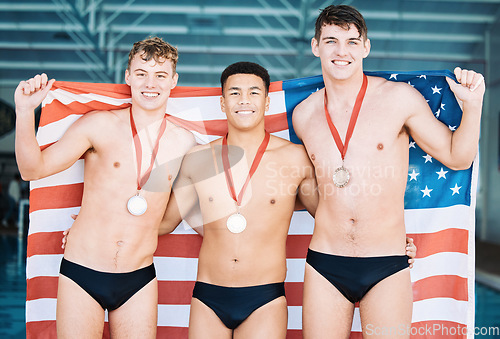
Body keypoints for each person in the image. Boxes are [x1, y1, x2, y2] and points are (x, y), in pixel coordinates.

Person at [157, 61, 417, 338]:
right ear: (222, 103)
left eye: (254, 93)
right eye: (234, 93)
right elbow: (164, 223)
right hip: (208, 295)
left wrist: (387, 243)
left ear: (267, 102)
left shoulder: (294, 160)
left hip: (265, 299)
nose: (244, 100)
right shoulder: (197, 160)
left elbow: (333, 215)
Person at [292, 5, 485, 338]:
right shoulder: (304, 114)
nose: (342, 51)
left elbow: (457, 157)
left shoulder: (398, 99)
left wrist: (474, 104)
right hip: (325, 261)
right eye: (331, 41)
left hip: (386, 262)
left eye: (352, 42)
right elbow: (315, 188)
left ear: (366, 47)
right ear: (315, 46)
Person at [15, 37, 196, 338]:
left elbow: (164, 221)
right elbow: (32, 169)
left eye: (160, 75)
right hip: (82, 273)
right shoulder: (98, 125)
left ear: (173, 81)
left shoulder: (186, 143)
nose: (150, 83)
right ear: (127, 77)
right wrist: (24, 111)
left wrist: (121, 223)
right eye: (141, 73)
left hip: (138, 279)